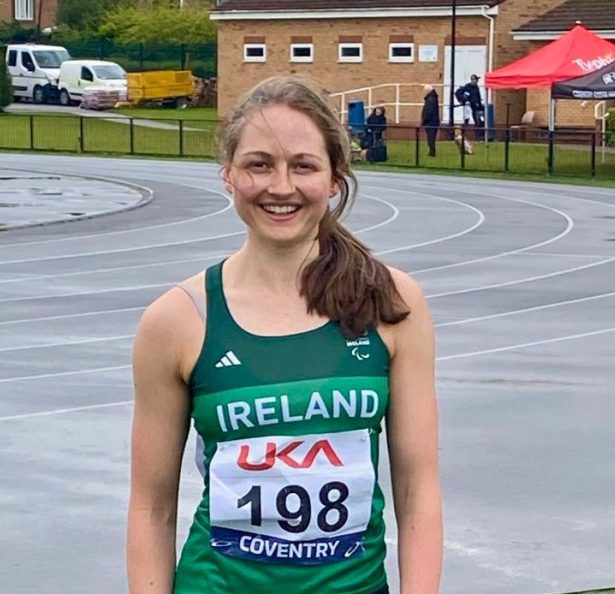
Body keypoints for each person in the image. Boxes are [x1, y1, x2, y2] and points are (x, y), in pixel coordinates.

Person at [128, 75, 442, 594]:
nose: (280, 186)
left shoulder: (390, 304)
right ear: (228, 174)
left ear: (335, 178)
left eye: (303, 166)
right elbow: (150, 508)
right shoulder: (178, 320)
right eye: (259, 164)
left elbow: (418, 490)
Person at [421, 84, 440, 157]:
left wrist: (424, 120)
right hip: (433, 121)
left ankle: (432, 152)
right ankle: (432, 151)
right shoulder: (433, 98)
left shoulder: (430, 99)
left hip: (431, 122)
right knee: (431, 137)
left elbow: (429, 111)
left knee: (431, 138)